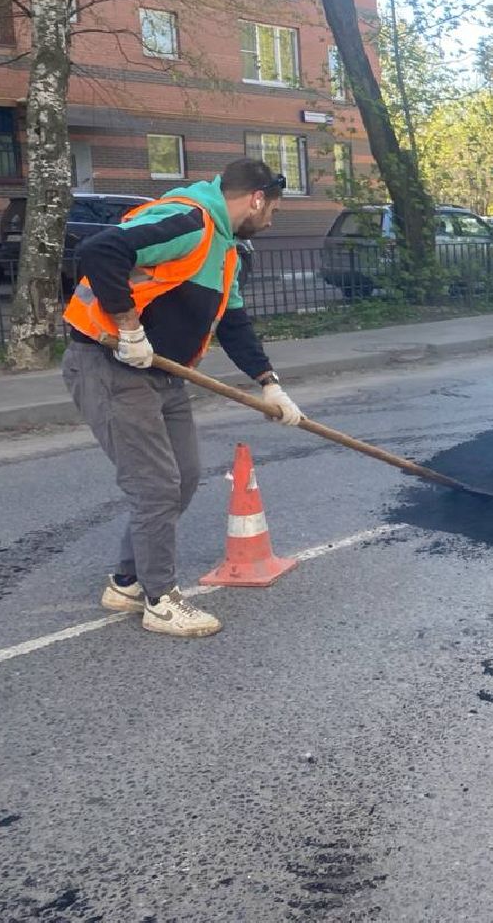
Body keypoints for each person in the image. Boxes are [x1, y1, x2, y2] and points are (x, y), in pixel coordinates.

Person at [62, 158, 304, 638]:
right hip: (111, 367)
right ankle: (161, 601)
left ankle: (128, 582)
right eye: (273, 208)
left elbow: (233, 322)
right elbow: (101, 249)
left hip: (164, 375)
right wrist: (128, 327)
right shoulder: (190, 220)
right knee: (154, 484)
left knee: (184, 477)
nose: (272, 220)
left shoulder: (227, 250)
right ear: (257, 198)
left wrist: (269, 381)